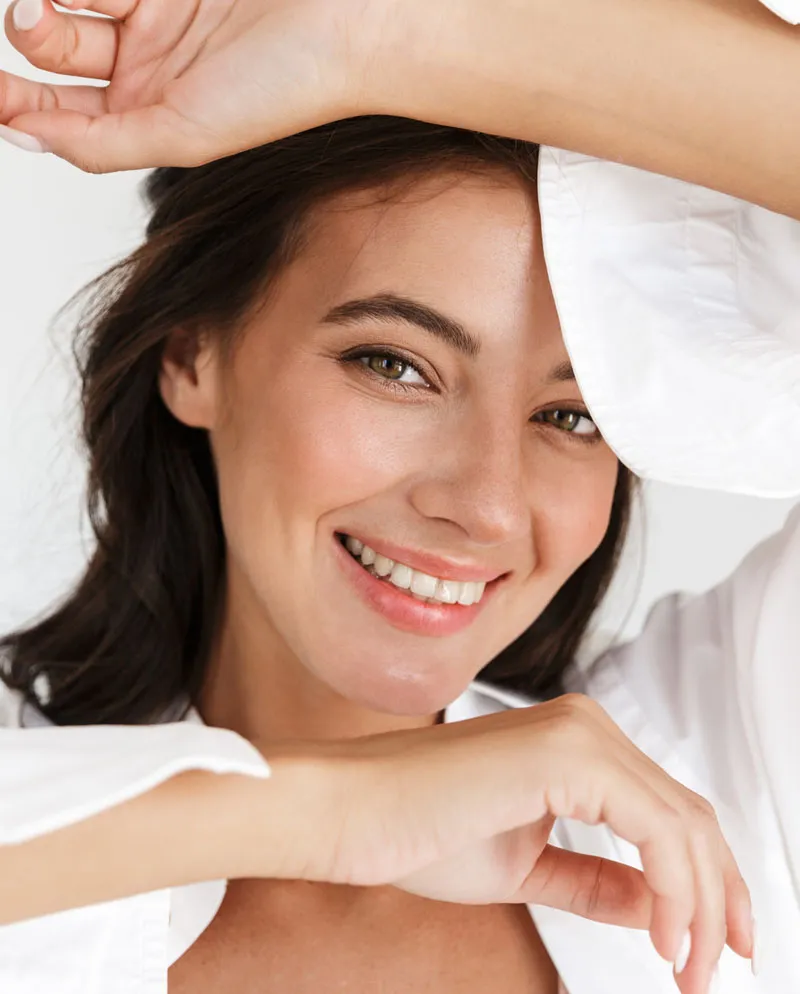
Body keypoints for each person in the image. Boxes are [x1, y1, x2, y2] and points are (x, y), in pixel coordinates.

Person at [1, 1, 799, 993]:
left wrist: (387, 34)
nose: (487, 505)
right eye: (394, 364)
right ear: (191, 350)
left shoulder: (720, 776)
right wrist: (334, 816)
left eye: (572, 416)